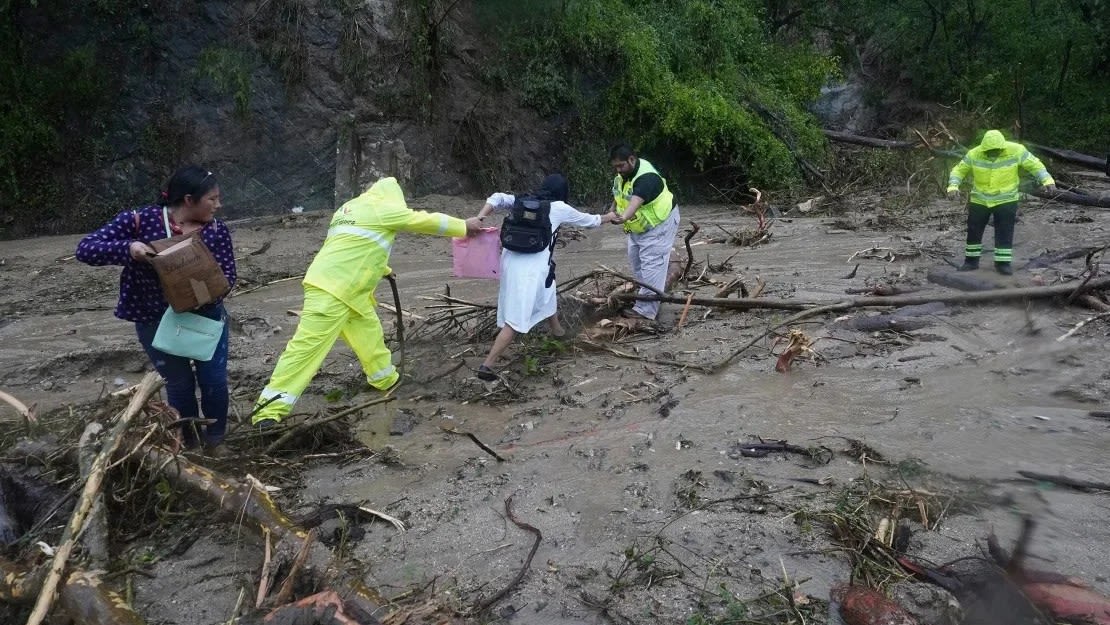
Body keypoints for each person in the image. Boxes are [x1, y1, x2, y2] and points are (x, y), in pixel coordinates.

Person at [252, 177, 483, 427]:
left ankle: (385, 380)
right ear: (394, 197)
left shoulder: (348, 209)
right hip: (334, 290)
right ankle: (267, 412)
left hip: (346, 289)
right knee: (305, 350)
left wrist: (383, 269)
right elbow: (421, 220)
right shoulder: (381, 209)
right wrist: (463, 226)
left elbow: (357, 245)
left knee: (369, 335)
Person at [76, 165, 236, 452]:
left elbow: (229, 276)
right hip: (154, 317)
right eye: (212, 199)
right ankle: (188, 443)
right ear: (189, 200)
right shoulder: (139, 221)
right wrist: (130, 249)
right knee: (179, 384)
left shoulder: (216, 230)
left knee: (213, 380)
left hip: (205, 317)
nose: (218, 205)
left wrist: (205, 291)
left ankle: (216, 440)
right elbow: (86, 248)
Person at [473, 174, 618, 380]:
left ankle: (558, 332)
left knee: (548, 291)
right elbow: (590, 221)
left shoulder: (521, 200)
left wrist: (480, 217)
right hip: (531, 270)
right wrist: (609, 217)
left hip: (510, 263)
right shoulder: (558, 208)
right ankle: (487, 366)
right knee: (516, 319)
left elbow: (496, 197)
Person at [947, 129, 1057, 275]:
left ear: (1002, 147)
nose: (992, 153)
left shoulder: (1017, 150)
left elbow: (1035, 165)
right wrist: (953, 186)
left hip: (1006, 199)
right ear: (983, 148)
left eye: (995, 151)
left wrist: (1047, 180)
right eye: (989, 151)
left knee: (1004, 231)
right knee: (974, 230)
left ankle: (1002, 264)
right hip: (980, 199)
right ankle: (971, 262)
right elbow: (958, 170)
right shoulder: (974, 153)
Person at [608, 143, 680, 320]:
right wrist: (612, 210)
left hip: (659, 225)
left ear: (632, 159)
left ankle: (646, 311)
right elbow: (619, 195)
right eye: (615, 166)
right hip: (639, 227)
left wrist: (622, 217)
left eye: (621, 165)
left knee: (651, 265)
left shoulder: (646, 178)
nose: (618, 170)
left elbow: (634, 203)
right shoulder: (624, 174)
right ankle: (647, 296)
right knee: (636, 262)